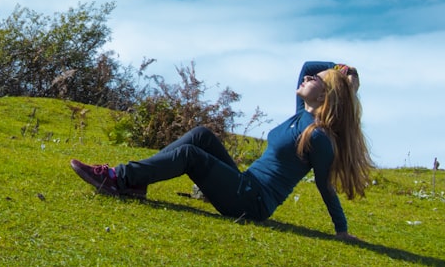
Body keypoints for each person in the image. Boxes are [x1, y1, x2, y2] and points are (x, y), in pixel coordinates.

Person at [70, 61, 372, 240]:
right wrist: (341, 67)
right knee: (201, 135)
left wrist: (341, 230)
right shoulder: (301, 112)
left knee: (190, 156)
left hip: (252, 203)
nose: (307, 77)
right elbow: (307, 65)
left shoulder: (318, 135)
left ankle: (118, 178)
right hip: (244, 184)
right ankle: (136, 181)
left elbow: (325, 185)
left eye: (315, 80)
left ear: (325, 93)